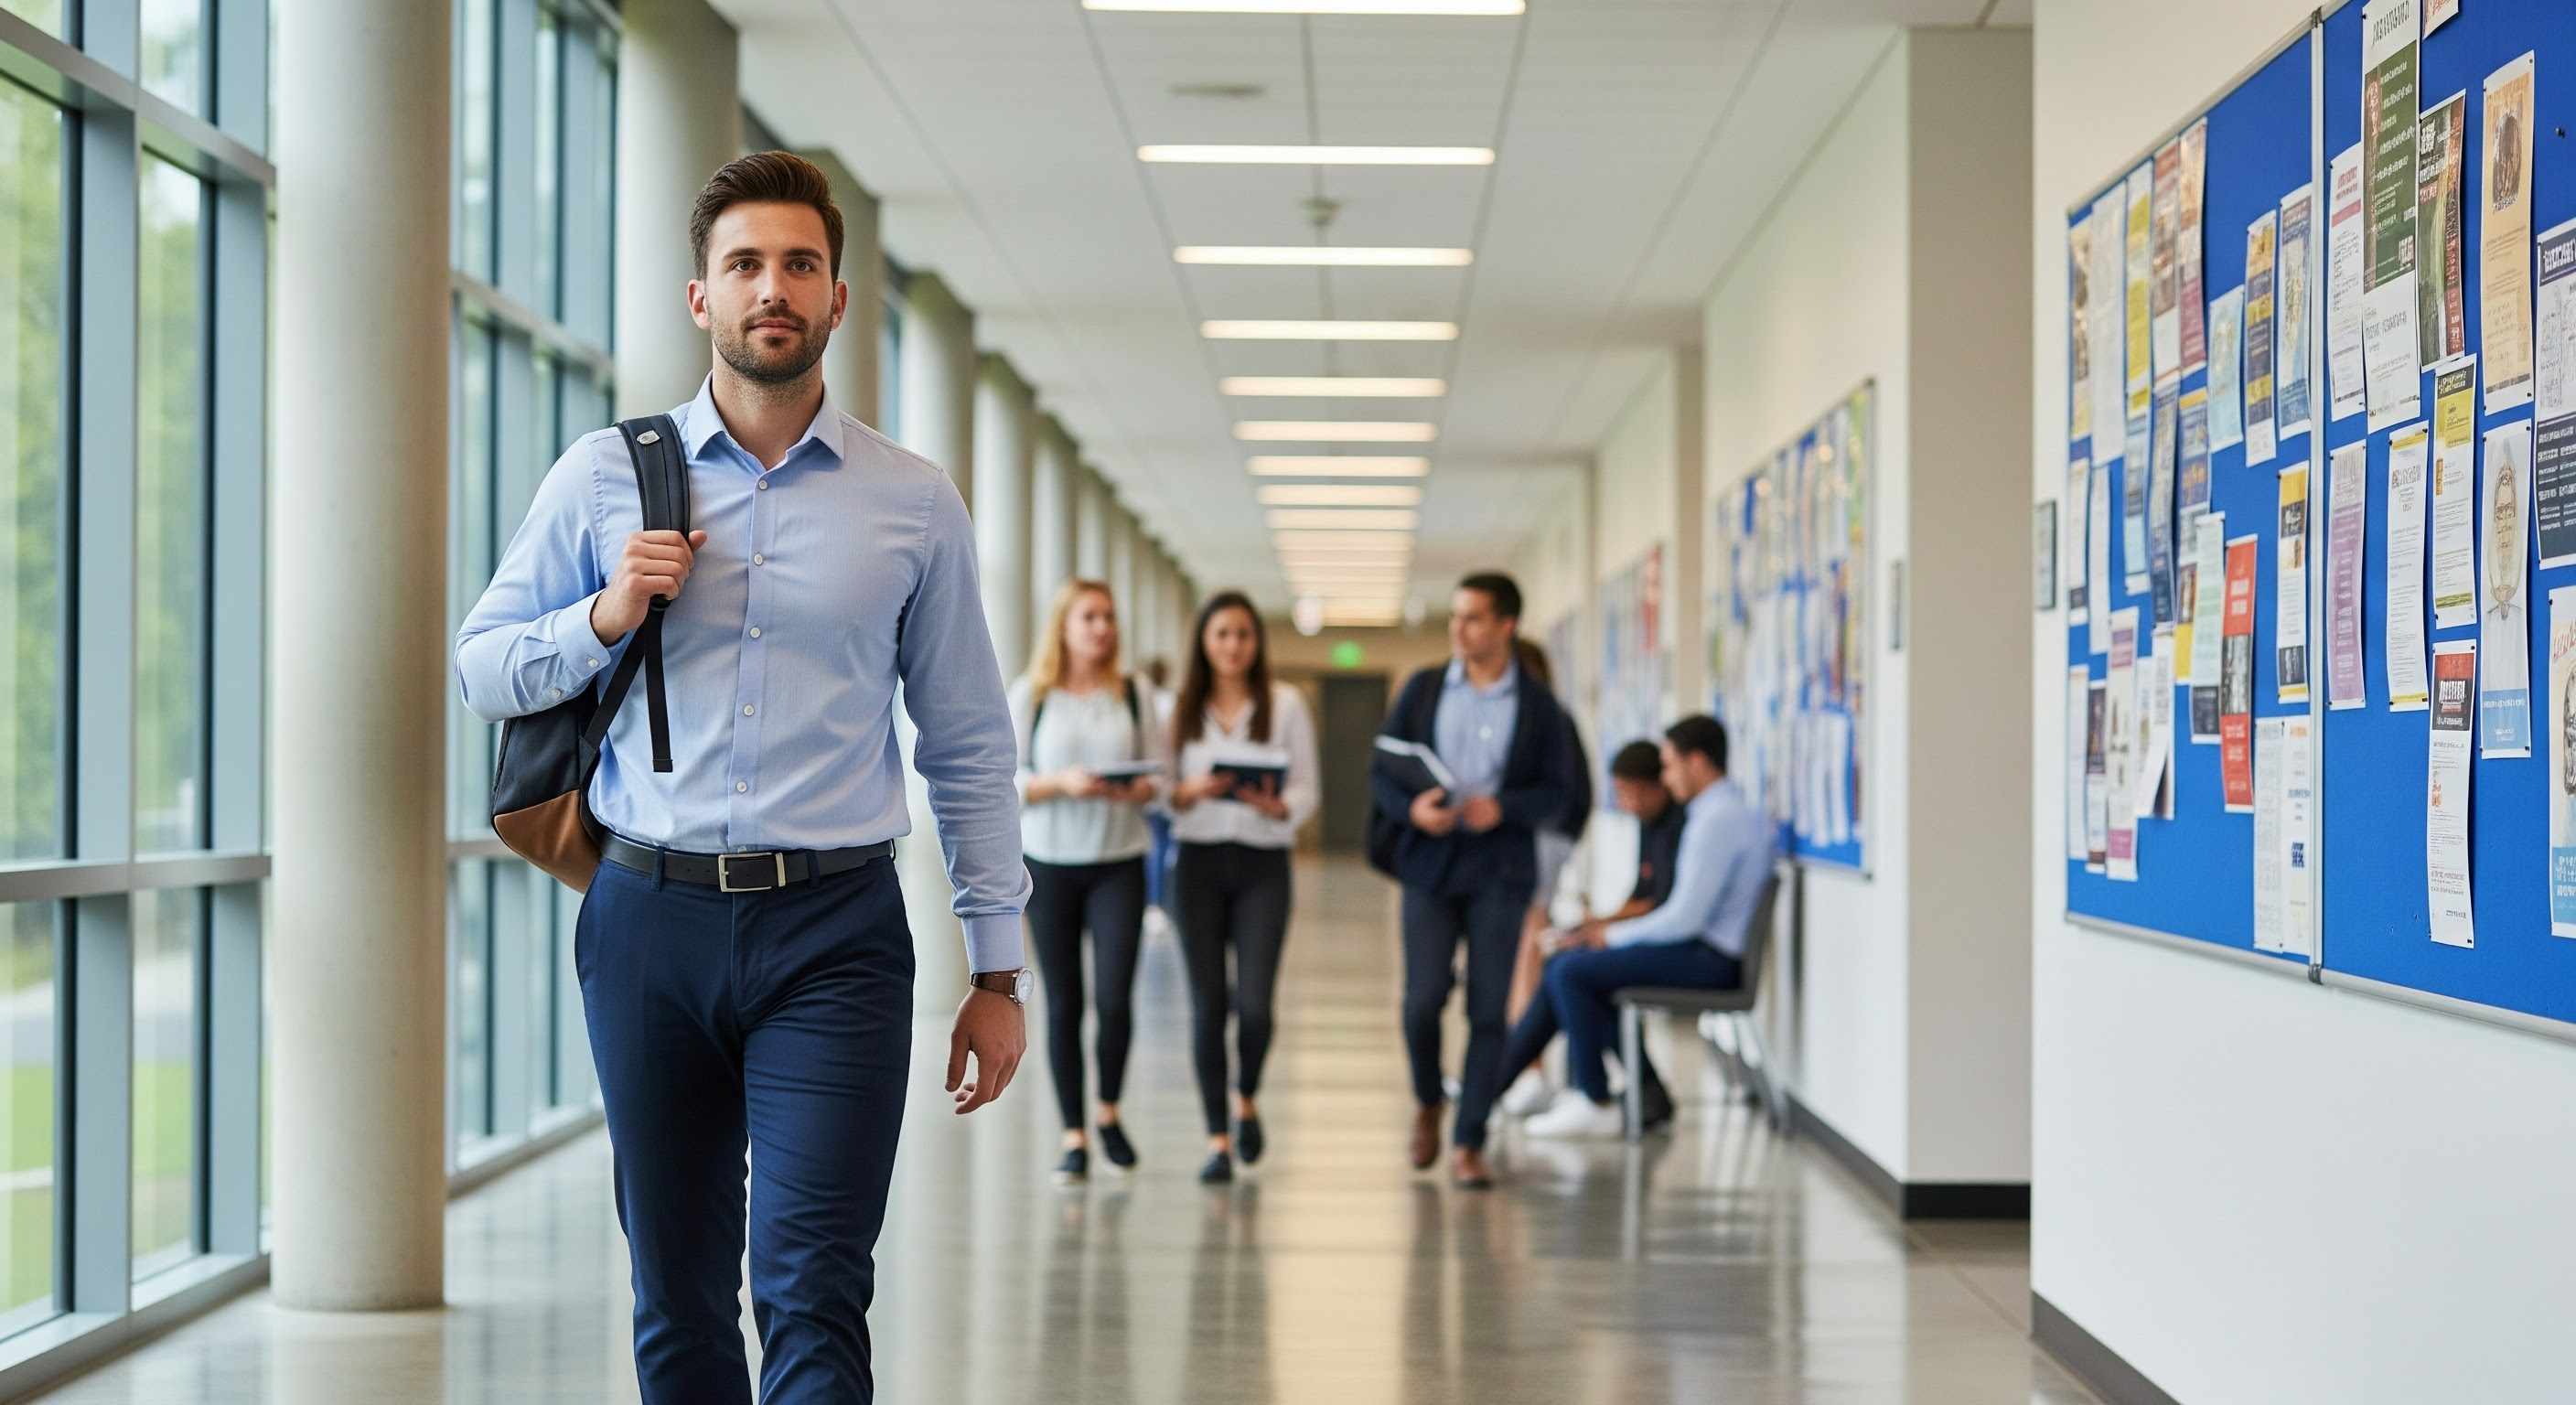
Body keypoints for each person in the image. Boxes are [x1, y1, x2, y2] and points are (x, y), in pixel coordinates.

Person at [455, 152, 1028, 1405]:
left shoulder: (913, 503)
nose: (774, 287)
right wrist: (603, 615)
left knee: (814, 1288)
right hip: (647, 923)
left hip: (837, 932)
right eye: (746, 264)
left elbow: (968, 740)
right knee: (676, 1294)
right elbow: (483, 667)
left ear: (837, 299)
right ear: (700, 297)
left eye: (800, 265)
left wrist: (997, 970)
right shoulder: (603, 475)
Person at [1370, 572, 1578, 1189]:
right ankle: (1428, 1098)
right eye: (1455, 617)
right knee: (1422, 999)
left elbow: (1562, 792)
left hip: (1501, 870)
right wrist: (1413, 810)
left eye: (1473, 618)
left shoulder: (1539, 708)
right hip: (1431, 863)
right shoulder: (1424, 689)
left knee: (1489, 1008)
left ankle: (1469, 1139)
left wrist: (1505, 808)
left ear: (1506, 626)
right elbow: (1384, 769)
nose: (1458, 629)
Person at [1521, 714, 1776, 1141]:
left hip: (1711, 960)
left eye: (1670, 765)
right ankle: (1568, 1088)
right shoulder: (1717, 814)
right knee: (1574, 965)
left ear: (1697, 762)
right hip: (1704, 951)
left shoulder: (1717, 820)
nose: (1667, 777)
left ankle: (1591, 1098)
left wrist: (1612, 937)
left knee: (1572, 971)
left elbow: (1684, 918)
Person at [1164, 591, 1320, 1185]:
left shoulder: (1285, 704)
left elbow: (1308, 789)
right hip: (1197, 865)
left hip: (1263, 864)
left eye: (1243, 634)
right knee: (1208, 1005)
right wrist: (1185, 793)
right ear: (1204, 641)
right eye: (1222, 633)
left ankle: (1247, 1096)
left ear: (1257, 643)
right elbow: (1160, 789)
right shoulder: (1178, 708)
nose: (1233, 645)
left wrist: (1280, 807)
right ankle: (1217, 1139)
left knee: (1254, 1005)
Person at [1012, 579, 1160, 1185]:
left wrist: (1136, 788)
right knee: (1065, 1002)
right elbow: (1006, 778)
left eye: (1109, 617)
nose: (1102, 628)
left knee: (1115, 997)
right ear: (1064, 626)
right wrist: (1059, 784)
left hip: (1119, 860)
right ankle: (1073, 1135)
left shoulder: (1135, 693)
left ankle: (1109, 1112)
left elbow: (1160, 778)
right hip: (1049, 865)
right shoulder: (1033, 695)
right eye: (1090, 617)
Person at [1498, 739, 1687, 1127]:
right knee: (1566, 963)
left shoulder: (1681, 826)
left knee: (1571, 973)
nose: (1626, 803)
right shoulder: (1649, 825)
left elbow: (1662, 905)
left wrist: (1604, 930)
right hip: (1648, 933)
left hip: (1676, 945)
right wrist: (1594, 925)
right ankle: (1496, 1083)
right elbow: (1640, 895)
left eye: (1631, 792)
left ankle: (1590, 1095)